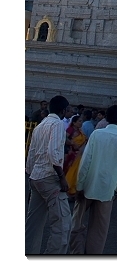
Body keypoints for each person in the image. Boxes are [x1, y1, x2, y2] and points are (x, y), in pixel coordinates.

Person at [69, 105, 117, 254]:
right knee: (99, 230)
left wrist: (80, 185)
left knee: (77, 223)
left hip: (88, 185)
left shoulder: (97, 135)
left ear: (105, 118)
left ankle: (75, 253)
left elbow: (86, 162)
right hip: (107, 189)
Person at [25, 94, 72, 254]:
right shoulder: (58, 124)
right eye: (68, 109)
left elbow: (31, 153)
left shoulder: (40, 126)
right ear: (63, 110)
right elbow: (54, 153)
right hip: (50, 178)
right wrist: (62, 178)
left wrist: (31, 176)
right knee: (63, 224)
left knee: (33, 224)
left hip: (36, 177)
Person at [64, 116, 88, 196]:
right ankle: (68, 189)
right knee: (71, 171)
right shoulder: (70, 130)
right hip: (72, 154)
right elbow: (65, 138)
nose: (81, 123)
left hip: (79, 154)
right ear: (74, 123)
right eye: (79, 121)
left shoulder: (80, 131)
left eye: (81, 121)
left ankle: (73, 191)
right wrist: (72, 143)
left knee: (76, 172)